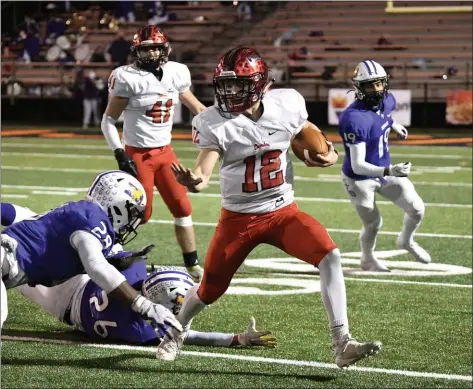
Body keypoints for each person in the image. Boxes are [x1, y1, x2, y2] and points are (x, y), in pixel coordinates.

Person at [155, 47, 382, 369]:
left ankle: (342, 342)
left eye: (240, 85)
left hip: (282, 211)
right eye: (226, 85)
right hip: (239, 218)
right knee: (210, 289)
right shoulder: (213, 122)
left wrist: (328, 154)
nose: (231, 92)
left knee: (329, 255)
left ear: (261, 84)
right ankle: (175, 332)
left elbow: (311, 135)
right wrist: (194, 181)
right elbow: (204, 174)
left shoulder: (286, 103)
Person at [0, 171, 182, 339]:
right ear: (119, 206)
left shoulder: (81, 212)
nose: (132, 222)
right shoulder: (92, 219)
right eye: (132, 213)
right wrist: (143, 305)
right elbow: (96, 266)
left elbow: (25, 215)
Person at [101, 26, 207, 282]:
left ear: (165, 49)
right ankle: (106, 256)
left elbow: (198, 108)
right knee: (140, 214)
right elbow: (108, 120)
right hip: (138, 155)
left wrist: (220, 125)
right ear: (136, 51)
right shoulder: (127, 77)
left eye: (155, 47)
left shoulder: (176, 72)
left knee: (182, 206)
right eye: (145, 48)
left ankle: (192, 265)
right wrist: (119, 153)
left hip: (165, 153)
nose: (151, 53)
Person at [338, 60, 431, 272]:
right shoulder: (353, 119)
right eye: (370, 85)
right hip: (359, 179)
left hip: (385, 169)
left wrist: (394, 125)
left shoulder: (388, 100)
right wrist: (390, 171)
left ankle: (406, 241)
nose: (376, 89)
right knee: (373, 223)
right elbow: (359, 165)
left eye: (379, 83)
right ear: (359, 88)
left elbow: (383, 116)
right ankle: (367, 258)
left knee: (417, 209)